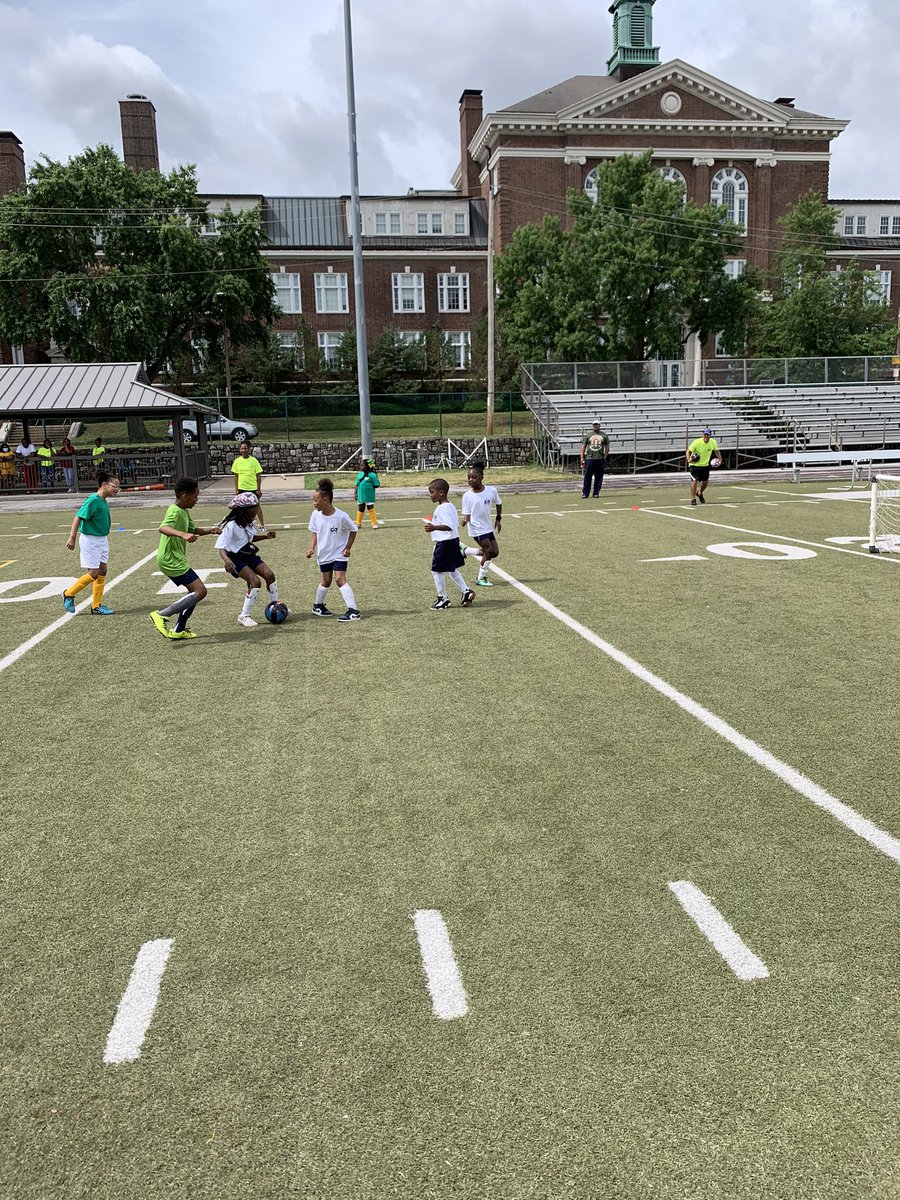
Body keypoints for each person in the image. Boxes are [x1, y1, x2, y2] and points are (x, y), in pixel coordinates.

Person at [150, 477, 218, 639]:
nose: (197, 500)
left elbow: (193, 529)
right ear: (184, 496)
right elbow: (163, 528)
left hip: (175, 558)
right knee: (200, 591)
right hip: (170, 559)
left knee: (193, 593)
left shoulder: (184, 511)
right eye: (195, 497)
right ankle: (162, 615)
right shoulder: (174, 511)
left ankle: (178, 630)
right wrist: (183, 535)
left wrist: (211, 530)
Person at [215, 493, 280, 628]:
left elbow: (249, 538)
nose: (254, 515)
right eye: (252, 512)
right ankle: (244, 616)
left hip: (248, 554)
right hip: (234, 558)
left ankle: (274, 607)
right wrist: (227, 561)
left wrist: (266, 536)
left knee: (270, 575)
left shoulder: (248, 523)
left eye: (256, 510)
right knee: (255, 582)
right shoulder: (230, 526)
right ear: (242, 511)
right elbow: (222, 548)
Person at [62, 470, 120, 615]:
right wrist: (72, 537)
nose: (117, 490)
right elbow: (78, 517)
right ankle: (68, 594)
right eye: (115, 486)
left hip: (102, 539)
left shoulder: (102, 500)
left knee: (103, 570)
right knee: (93, 573)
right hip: (90, 540)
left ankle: (96, 606)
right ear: (105, 485)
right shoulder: (93, 500)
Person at [306, 477, 361, 621]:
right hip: (324, 554)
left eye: (315, 500)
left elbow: (353, 530)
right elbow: (315, 532)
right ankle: (318, 606)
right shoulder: (315, 515)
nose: (314, 503)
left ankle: (353, 611)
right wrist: (312, 548)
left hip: (339, 554)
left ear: (325, 500)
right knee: (326, 581)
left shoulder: (341, 516)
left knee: (340, 579)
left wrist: (348, 547)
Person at [425, 478, 475, 610]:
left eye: (432, 492)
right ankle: (466, 591)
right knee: (451, 569)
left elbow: (449, 526)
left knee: (436, 571)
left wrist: (434, 527)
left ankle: (443, 599)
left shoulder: (443, 508)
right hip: (452, 541)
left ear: (441, 492)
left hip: (445, 543)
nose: (430, 495)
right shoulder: (450, 506)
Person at [461, 462, 502, 587]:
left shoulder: (491, 490)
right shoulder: (467, 496)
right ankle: (481, 578)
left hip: (487, 527)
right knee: (489, 551)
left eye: (474, 477)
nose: (470, 480)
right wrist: (465, 520)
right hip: (476, 528)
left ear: (481, 477)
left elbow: (499, 503)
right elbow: (467, 514)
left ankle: (466, 551)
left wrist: (498, 519)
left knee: (495, 552)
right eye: (469, 477)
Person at [231, 441, 266, 531]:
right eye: (242, 448)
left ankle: (262, 525)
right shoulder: (237, 461)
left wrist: (258, 489)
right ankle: (243, 524)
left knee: (256, 507)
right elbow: (235, 476)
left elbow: (258, 476)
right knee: (241, 508)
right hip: (241, 488)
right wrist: (236, 489)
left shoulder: (254, 461)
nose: (244, 450)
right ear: (240, 449)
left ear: (249, 449)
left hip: (252, 488)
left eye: (245, 448)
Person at [686, 427, 722, 505]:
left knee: (705, 482)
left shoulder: (713, 442)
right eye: (705, 434)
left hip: (705, 465)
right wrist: (688, 459)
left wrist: (720, 459)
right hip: (694, 465)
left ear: (710, 435)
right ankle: (693, 499)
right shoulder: (696, 442)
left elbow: (716, 451)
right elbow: (688, 450)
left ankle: (699, 493)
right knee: (694, 481)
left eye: (707, 435)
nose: (706, 436)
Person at [580, 420, 609, 499]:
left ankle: (596, 492)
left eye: (597, 425)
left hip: (600, 458)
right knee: (587, 477)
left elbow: (607, 447)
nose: (595, 426)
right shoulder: (588, 435)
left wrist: (605, 457)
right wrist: (582, 458)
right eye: (594, 425)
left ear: (599, 425)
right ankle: (585, 493)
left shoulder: (604, 435)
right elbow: (583, 446)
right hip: (589, 458)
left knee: (599, 477)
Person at [354, 458, 382, 529]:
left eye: (362, 465)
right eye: (360, 465)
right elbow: (356, 484)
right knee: (361, 508)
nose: (361, 466)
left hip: (369, 495)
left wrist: (370, 486)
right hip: (361, 495)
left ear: (367, 466)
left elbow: (377, 484)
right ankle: (358, 523)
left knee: (370, 508)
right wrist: (355, 493)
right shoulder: (360, 474)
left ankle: (374, 523)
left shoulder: (372, 475)